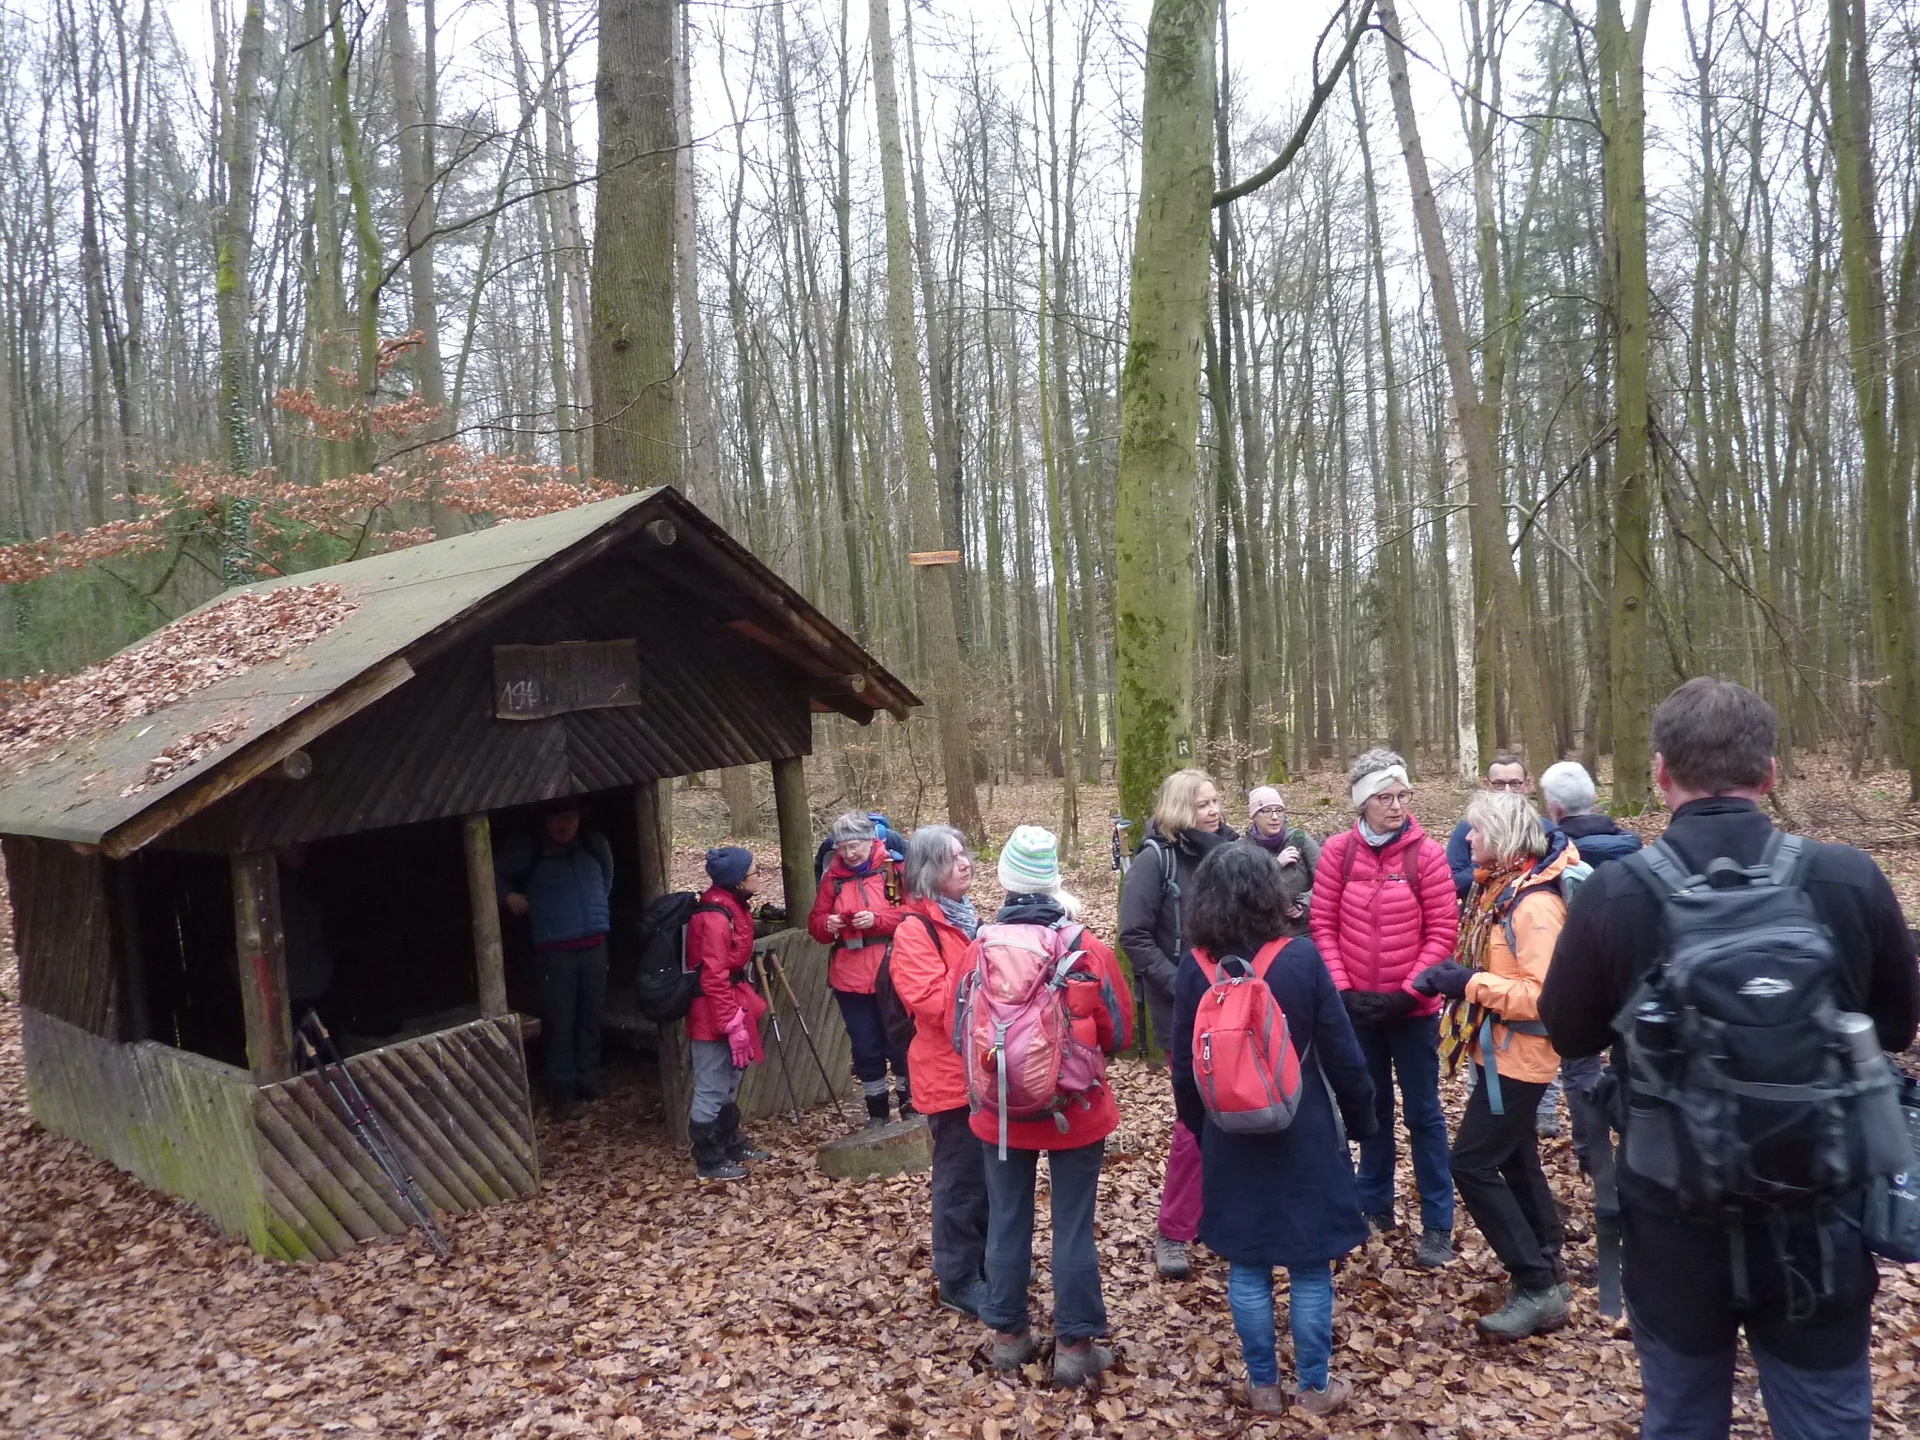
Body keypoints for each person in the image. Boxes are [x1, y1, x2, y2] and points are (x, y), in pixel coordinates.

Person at [1541, 678, 1920, 1440]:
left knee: (1682, 1415)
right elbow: (1896, 1027)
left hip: (1673, 1221)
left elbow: (1571, 1036)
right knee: (1827, 1419)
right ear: (1771, 773)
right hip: (1818, 1218)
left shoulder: (1617, 894)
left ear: (1659, 773)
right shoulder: (1848, 878)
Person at [1171, 845, 1375, 1417]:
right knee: (1310, 1267)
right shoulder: (1302, 959)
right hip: (1303, 1132)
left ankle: (1263, 1387)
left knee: (1248, 1264)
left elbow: (1184, 1068)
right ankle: (1314, 1389)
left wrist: (1203, 1128)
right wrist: (1361, 1123)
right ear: (1271, 896)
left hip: (1228, 1137)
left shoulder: (1195, 967)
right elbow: (1343, 1054)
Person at [973, 826, 1135, 1390]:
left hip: (998, 1114)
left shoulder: (981, 946)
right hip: (1076, 1108)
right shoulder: (1084, 946)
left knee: (1007, 1218)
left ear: (1006, 882)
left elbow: (957, 1030)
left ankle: (1008, 1338)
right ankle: (1074, 1347)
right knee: (1072, 1226)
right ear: (1053, 881)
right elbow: (1118, 1030)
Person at [1414, 789, 1577, 1338]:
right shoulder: (1500, 891)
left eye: (1476, 832)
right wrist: (1455, 976)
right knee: (1514, 1156)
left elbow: (1545, 994)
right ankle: (1549, 1266)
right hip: (1499, 1050)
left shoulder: (1533, 905)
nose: (1468, 841)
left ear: (1504, 838)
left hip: (1523, 1055)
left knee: (1472, 1163)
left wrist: (1468, 984)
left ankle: (1534, 1282)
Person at [1311, 749, 1460, 1268]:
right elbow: (1323, 926)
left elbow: (1444, 932)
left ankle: (1438, 1222)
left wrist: (1408, 993)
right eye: (1384, 797)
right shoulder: (1338, 853)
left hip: (1412, 1013)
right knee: (1369, 1110)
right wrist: (1343, 991)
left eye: (1402, 795)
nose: (1396, 806)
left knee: (1424, 1115)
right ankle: (1373, 1204)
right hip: (1358, 1011)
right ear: (1362, 802)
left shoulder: (1428, 855)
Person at [1118, 767, 1237, 1280]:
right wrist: (1185, 987)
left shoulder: (1233, 853)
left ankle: (1227, 1217)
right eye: (1202, 804)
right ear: (1178, 809)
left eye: (1215, 802)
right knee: (1194, 1122)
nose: (1213, 811)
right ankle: (1175, 1228)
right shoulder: (1155, 860)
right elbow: (1135, 936)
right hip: (1184, 1014)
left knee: (1239, 1114)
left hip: (1238, 1006)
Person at [888, 823, 989, 1317]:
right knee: (960, 1182)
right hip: (948, 1078)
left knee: (992, 1176)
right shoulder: (914, 931)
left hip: (984, 1073)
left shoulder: (966, 919)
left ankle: (991, 1262)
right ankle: (958, 1278)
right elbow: (933, 1005)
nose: (965, 863)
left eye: (965, 853)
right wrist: (980, 957)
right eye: (952, 859)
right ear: (929, 872)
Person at [1535, 760, 1643, 1154]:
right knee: (1631, 1060)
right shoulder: (1630, 845)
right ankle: (1634, 1141)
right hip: (1631, 968)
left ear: (1555, 809)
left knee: (1580, 1064)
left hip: (1577, 965)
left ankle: (1590, 1150)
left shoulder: (1553, 854)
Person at [496, 800, 614, 1119]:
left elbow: (607, 877)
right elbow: (491, 871)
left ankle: (588, 1080)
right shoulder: (530, 850)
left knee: (590, 1014)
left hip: (595, 944)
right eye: (556, 818)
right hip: (554, 949)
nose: (563, 825)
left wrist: (597, 910)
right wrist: (509, 897)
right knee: (560, 1020)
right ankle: (562, 1090)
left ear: (579, 819)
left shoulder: (594, 845)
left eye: (570, 818)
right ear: (545, 821)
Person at [809, 810, 908, 1125]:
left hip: (892, 969)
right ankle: (876, 1112)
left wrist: (878, 920)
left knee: (900, 1040)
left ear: (870, 841)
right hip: (849, 976)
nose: (849, 854)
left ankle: (911, 1103)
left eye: (855, 846)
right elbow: (816, 926)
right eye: (842, 848)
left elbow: (912, 914)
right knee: (865, 1046)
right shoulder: (833, 880)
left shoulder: (891, 870)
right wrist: (829, 923)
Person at [684, 846, 771, 1181]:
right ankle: (708, 1159)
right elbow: (713, 975)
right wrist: (729, 1021)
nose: (757, 877)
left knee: (732, 1077)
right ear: (737, 882)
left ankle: (730, 1142)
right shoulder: (715, 918)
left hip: (730, 1000)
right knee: (711, 1083)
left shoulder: (733, 907)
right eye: (753, 873)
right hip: (711, 1008)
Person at [1446, 754, 1533, 897]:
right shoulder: (1467, 827)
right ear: (1487, 785)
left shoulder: (1542, 829)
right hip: (1478, 908)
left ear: (1527, 785)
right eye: (1499, 784)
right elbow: (1454, 881)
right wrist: (1488, 865)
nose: (1507, 791)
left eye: (1515, 784)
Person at [1242, 785, 1321, 885]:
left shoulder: (1300, 838)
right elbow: (1245, 889)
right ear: (1254, 817)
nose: (1275, 817)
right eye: (1267, 811)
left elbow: (1324, 880)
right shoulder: (1243, 850)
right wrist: (1276, 864)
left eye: (1279, 811)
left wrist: (1303, 900)